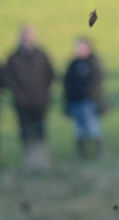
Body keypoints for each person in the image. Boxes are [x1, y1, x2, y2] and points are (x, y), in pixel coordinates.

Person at [0, 24, 54, 170]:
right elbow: (7, 79)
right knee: (25, 132)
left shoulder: (41, 55)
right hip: (22, 103)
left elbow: (50, 74)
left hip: (40, 101)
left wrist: (44, 92)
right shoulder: (13, 57)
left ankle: (42, 161)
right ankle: (29, 162)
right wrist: (18, 94)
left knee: (41, 131)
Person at [63, 38, 107, 157]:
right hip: (75, 101)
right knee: (79, 129)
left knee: (93, 126)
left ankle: (99, 152)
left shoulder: (93, 62)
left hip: (89, 101)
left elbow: (97, 80)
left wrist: (89, 93)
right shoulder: (73, 64)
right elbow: (67, 82)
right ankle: (82, 153)